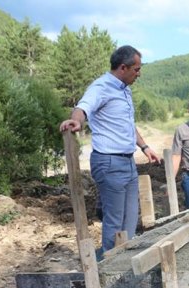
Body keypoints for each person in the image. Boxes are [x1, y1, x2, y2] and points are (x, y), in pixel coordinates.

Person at [59, 45, 160, 258]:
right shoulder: (101, 87)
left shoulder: (125, 90)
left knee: (130, 219)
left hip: (127, 161)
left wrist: (144, 147)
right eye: (137, 69)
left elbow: (127, 125)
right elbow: (83, 107)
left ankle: (124, 264)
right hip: (109, 162)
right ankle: (108, 268)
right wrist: (76, 121)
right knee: (114, 221)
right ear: (123, 67)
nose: (139, 74)